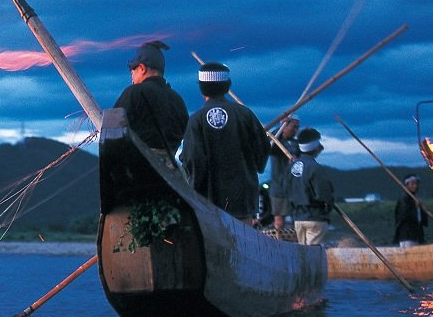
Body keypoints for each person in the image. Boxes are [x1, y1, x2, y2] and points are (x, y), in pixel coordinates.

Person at [180, 62, 270, 223]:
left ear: (201, 88)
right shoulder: (245, 114)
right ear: (227, 86)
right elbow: (263, 147)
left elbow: (193, 158)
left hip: (209, 201)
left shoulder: (196, 120)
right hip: (243, 199)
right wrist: (255, 167)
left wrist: (195, 188)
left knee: (215, 239)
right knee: (242, 238)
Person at [113, 40, 189, 154]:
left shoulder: (134, 93)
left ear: (142, 68)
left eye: (132, 70)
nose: (132, 76)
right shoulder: (178, 100)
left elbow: (112, 131)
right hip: (171, 164)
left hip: (136, 163)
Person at [288, 127, 335, 245]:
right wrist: (328, 207)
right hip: (315, 217)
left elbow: (286, 189)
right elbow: (324, 194)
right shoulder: (315, 168)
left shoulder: (291, 167)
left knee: (302, 251)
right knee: (312, 253)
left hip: (298, 218)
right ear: (316, 149)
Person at [268, 114, 301, 229]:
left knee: (298, 218)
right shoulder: (276, 142)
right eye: (294, 127)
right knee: (279, 218)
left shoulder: (296, 144)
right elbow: (269, 141)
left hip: (294, 188)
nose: (296, 130)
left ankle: (297, 239)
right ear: (285, 126)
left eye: (297, 127)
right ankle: (278, 238)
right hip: (279, 187)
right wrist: (280, 127)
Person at [393, 174, 428, 247]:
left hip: (415, 236)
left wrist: (422, 210)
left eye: (416, 184)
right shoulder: (404, 200)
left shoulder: (414, 199)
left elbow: (422, 221)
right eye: (412, 184)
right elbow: (404, 216)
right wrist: (417, 208)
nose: (415, 186)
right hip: (407, 236)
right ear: (406, 185)